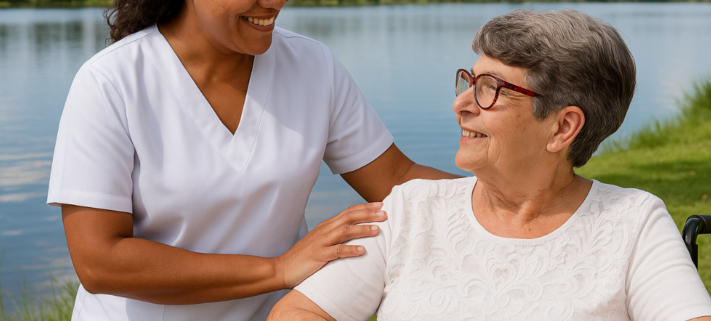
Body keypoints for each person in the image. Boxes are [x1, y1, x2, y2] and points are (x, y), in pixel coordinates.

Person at [269, 9, 711, 321]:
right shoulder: (411, 210)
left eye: (490, 88)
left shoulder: (633, 222)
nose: (460, 104)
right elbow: (299, 310)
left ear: (563, 127)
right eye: (468, 81)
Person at [46, 0, 457, 319]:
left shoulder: (313, 66)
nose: (275, 2)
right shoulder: (111, 81)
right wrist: (277, 270)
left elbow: (398, 177)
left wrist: (513, 195)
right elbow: (99, 261)